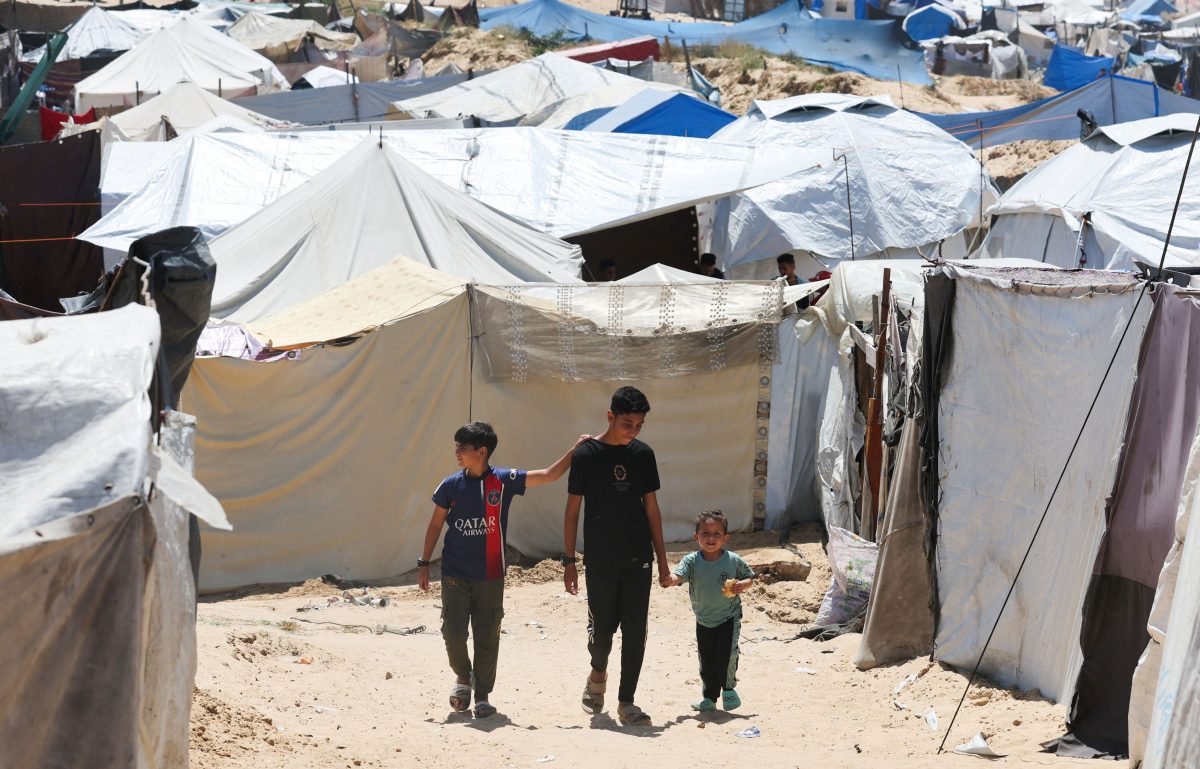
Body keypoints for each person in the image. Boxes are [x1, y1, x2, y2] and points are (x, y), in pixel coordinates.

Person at [419, 422, 589, 719]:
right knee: (454, 632)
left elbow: (549, 475)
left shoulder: (504, 480)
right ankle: (463, 677)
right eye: (456, 446)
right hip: (454, 573)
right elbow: (435, 524)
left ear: (481, 451)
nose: (456, 452)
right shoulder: (450, 485)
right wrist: (423, 564)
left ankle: (482, 695)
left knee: (487, 635)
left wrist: (574, 451)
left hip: (491, 574)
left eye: (462, 447)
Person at [562, 386, 670, 727]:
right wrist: (569, 561)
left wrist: (662, 561)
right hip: (600, 558)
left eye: (639, 425)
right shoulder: (586, 455)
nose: (633, 431)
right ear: (610, 416)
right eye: (627, 423)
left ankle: (627, 702)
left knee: (636, 632)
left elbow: (652, 509)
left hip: (638, 558)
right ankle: (598, 673)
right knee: (601, 632)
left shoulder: (643, 455)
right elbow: (572, 511)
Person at [665, 509, 755, 712]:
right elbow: (679, 576)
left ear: (725, 538)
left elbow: (749, 577)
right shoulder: (691, 561)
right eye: (705, 533)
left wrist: (743, 585)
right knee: (706, 660)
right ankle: (709, 698)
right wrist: (670, 580)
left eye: (716, 533)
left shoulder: (733, 560)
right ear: (696, 536)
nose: (711, 538)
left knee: (728, 655)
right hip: (703, 619)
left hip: (729, 617)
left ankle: (729, 691)